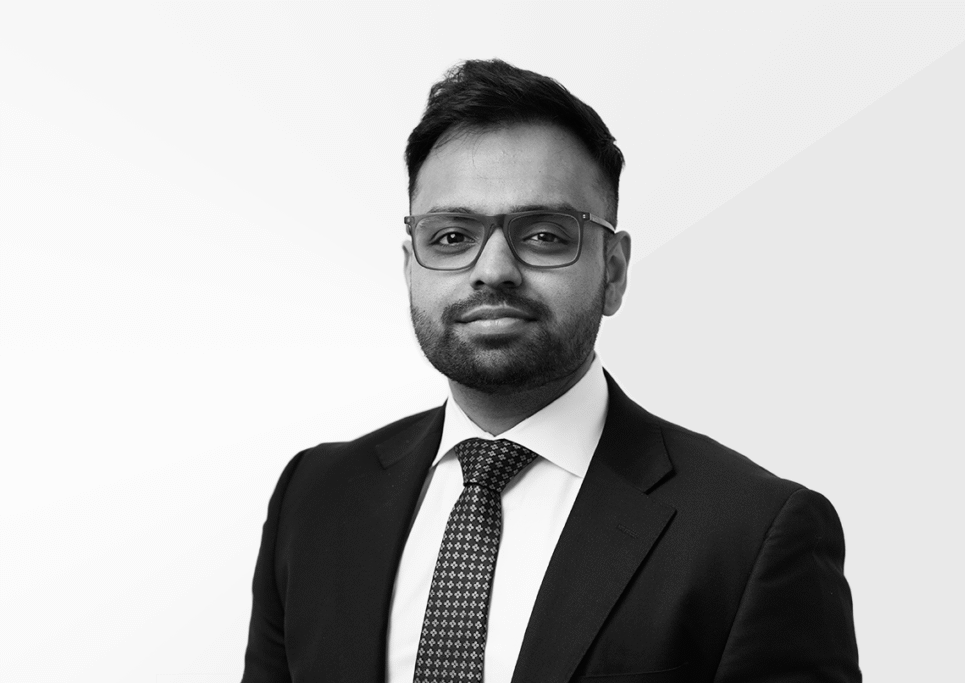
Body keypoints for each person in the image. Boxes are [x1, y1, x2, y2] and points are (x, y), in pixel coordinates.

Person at [241, 59, 860, 683]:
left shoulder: (752, 534)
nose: (494, 270)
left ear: (613, 270)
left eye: (543, 235)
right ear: (411, 265)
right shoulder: (316, 497)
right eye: (452, 237)